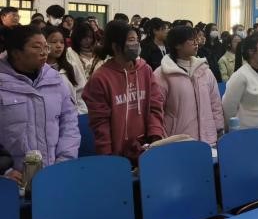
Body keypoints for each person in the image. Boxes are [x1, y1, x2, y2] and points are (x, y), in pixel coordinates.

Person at [83, 21, 165, 163]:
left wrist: (155, 136)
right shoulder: (100, 78)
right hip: (117, 155)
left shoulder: (145, 70)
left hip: (147, 149)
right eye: (131, 40)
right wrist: (107, 156)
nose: (136, 44)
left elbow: (155, 106)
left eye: (137, 40)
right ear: (115, 46)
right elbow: (100, 123)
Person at [0, 25, 80, 170]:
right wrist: (4, 170)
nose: (44, 52)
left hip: (54, 170)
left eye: (45, 47)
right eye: (37, 47)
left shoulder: (54, 79)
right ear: (16, 53)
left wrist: (64, 160)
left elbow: (69, 122)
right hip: (13, 176)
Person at [154, 26, 224, 145]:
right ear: (177, 45)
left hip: (208, 139)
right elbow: (157, 110)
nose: (196, 43)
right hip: (177, 140)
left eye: (196, 39)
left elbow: (215, 103)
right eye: (191, 40)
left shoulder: (205, 71)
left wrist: (218, 128)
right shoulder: (162, 74)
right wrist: (162, 138)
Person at [222, 34, 258, 129]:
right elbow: (228, 108)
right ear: (251, 51)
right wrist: (233, 130)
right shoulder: (240, 76)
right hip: (246, 132)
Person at [43, 26, 87, 113]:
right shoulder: (38, 69)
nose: (59, 46)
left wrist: (80, 112)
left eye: (62, 42)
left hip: (72, 115)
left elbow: (81, 91)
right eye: (54, 42)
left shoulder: (71, 67)